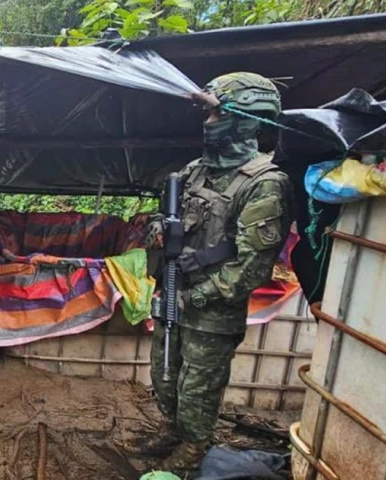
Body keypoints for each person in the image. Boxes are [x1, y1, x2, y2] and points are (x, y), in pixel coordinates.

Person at [130, 72, 296, 471]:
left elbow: (251, 267)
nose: (208, 122)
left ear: (246, 119)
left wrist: (195, 296)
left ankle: (195, 446)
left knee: (197, 390)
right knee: (164, 375)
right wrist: (159, 230)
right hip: (174, 293)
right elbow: (162, 215)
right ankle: (173, 430)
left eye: (218, 113)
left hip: (212, 312)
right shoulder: (195, 170)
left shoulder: (264, 183)